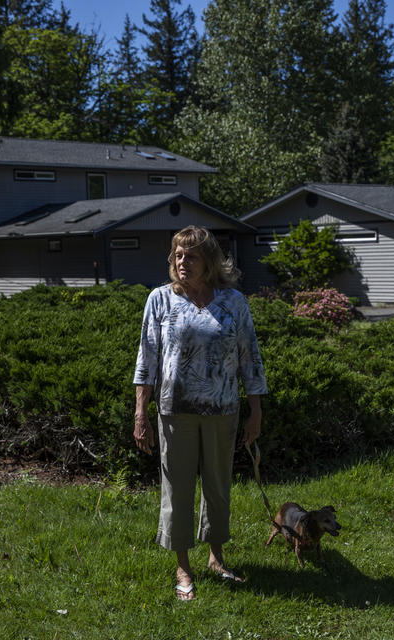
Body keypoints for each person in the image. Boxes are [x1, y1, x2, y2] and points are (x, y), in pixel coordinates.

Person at [133, 225, 267, 601]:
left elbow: (249, 358)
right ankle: (182, 566)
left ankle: (216, 558)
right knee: (177, 490)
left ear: (208, 261)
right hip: (175, 412)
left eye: (190, 255)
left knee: (218, 487)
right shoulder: (159, 300)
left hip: (223, 410)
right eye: (177, 255)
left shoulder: (234, 302)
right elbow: (147, 361)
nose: (182, 262)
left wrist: (255, 411)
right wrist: (141, 413)